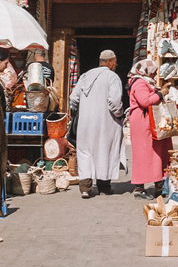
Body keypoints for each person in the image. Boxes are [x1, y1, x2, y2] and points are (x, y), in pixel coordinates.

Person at [69, 49, 127, 198]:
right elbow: (114, 103)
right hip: (105, 123)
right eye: (114, 62)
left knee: (85, 153)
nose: (116, 64)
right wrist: (120, 114)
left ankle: (85, 188)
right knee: (104, 152)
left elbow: (73, 99)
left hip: (85, 123)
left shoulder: (85, 76)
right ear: (109, 62)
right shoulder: (112, 77)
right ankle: (104, 186)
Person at [128, 59, 172, 199]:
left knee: (156, 152)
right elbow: (144, 101)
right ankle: (139, 187)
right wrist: (161, 93)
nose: (154, 75)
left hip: (149, 121)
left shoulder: (144, 81)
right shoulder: (140, 82)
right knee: (144, 153)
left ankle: (158, 183)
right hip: (143, 123)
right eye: (153, 72)